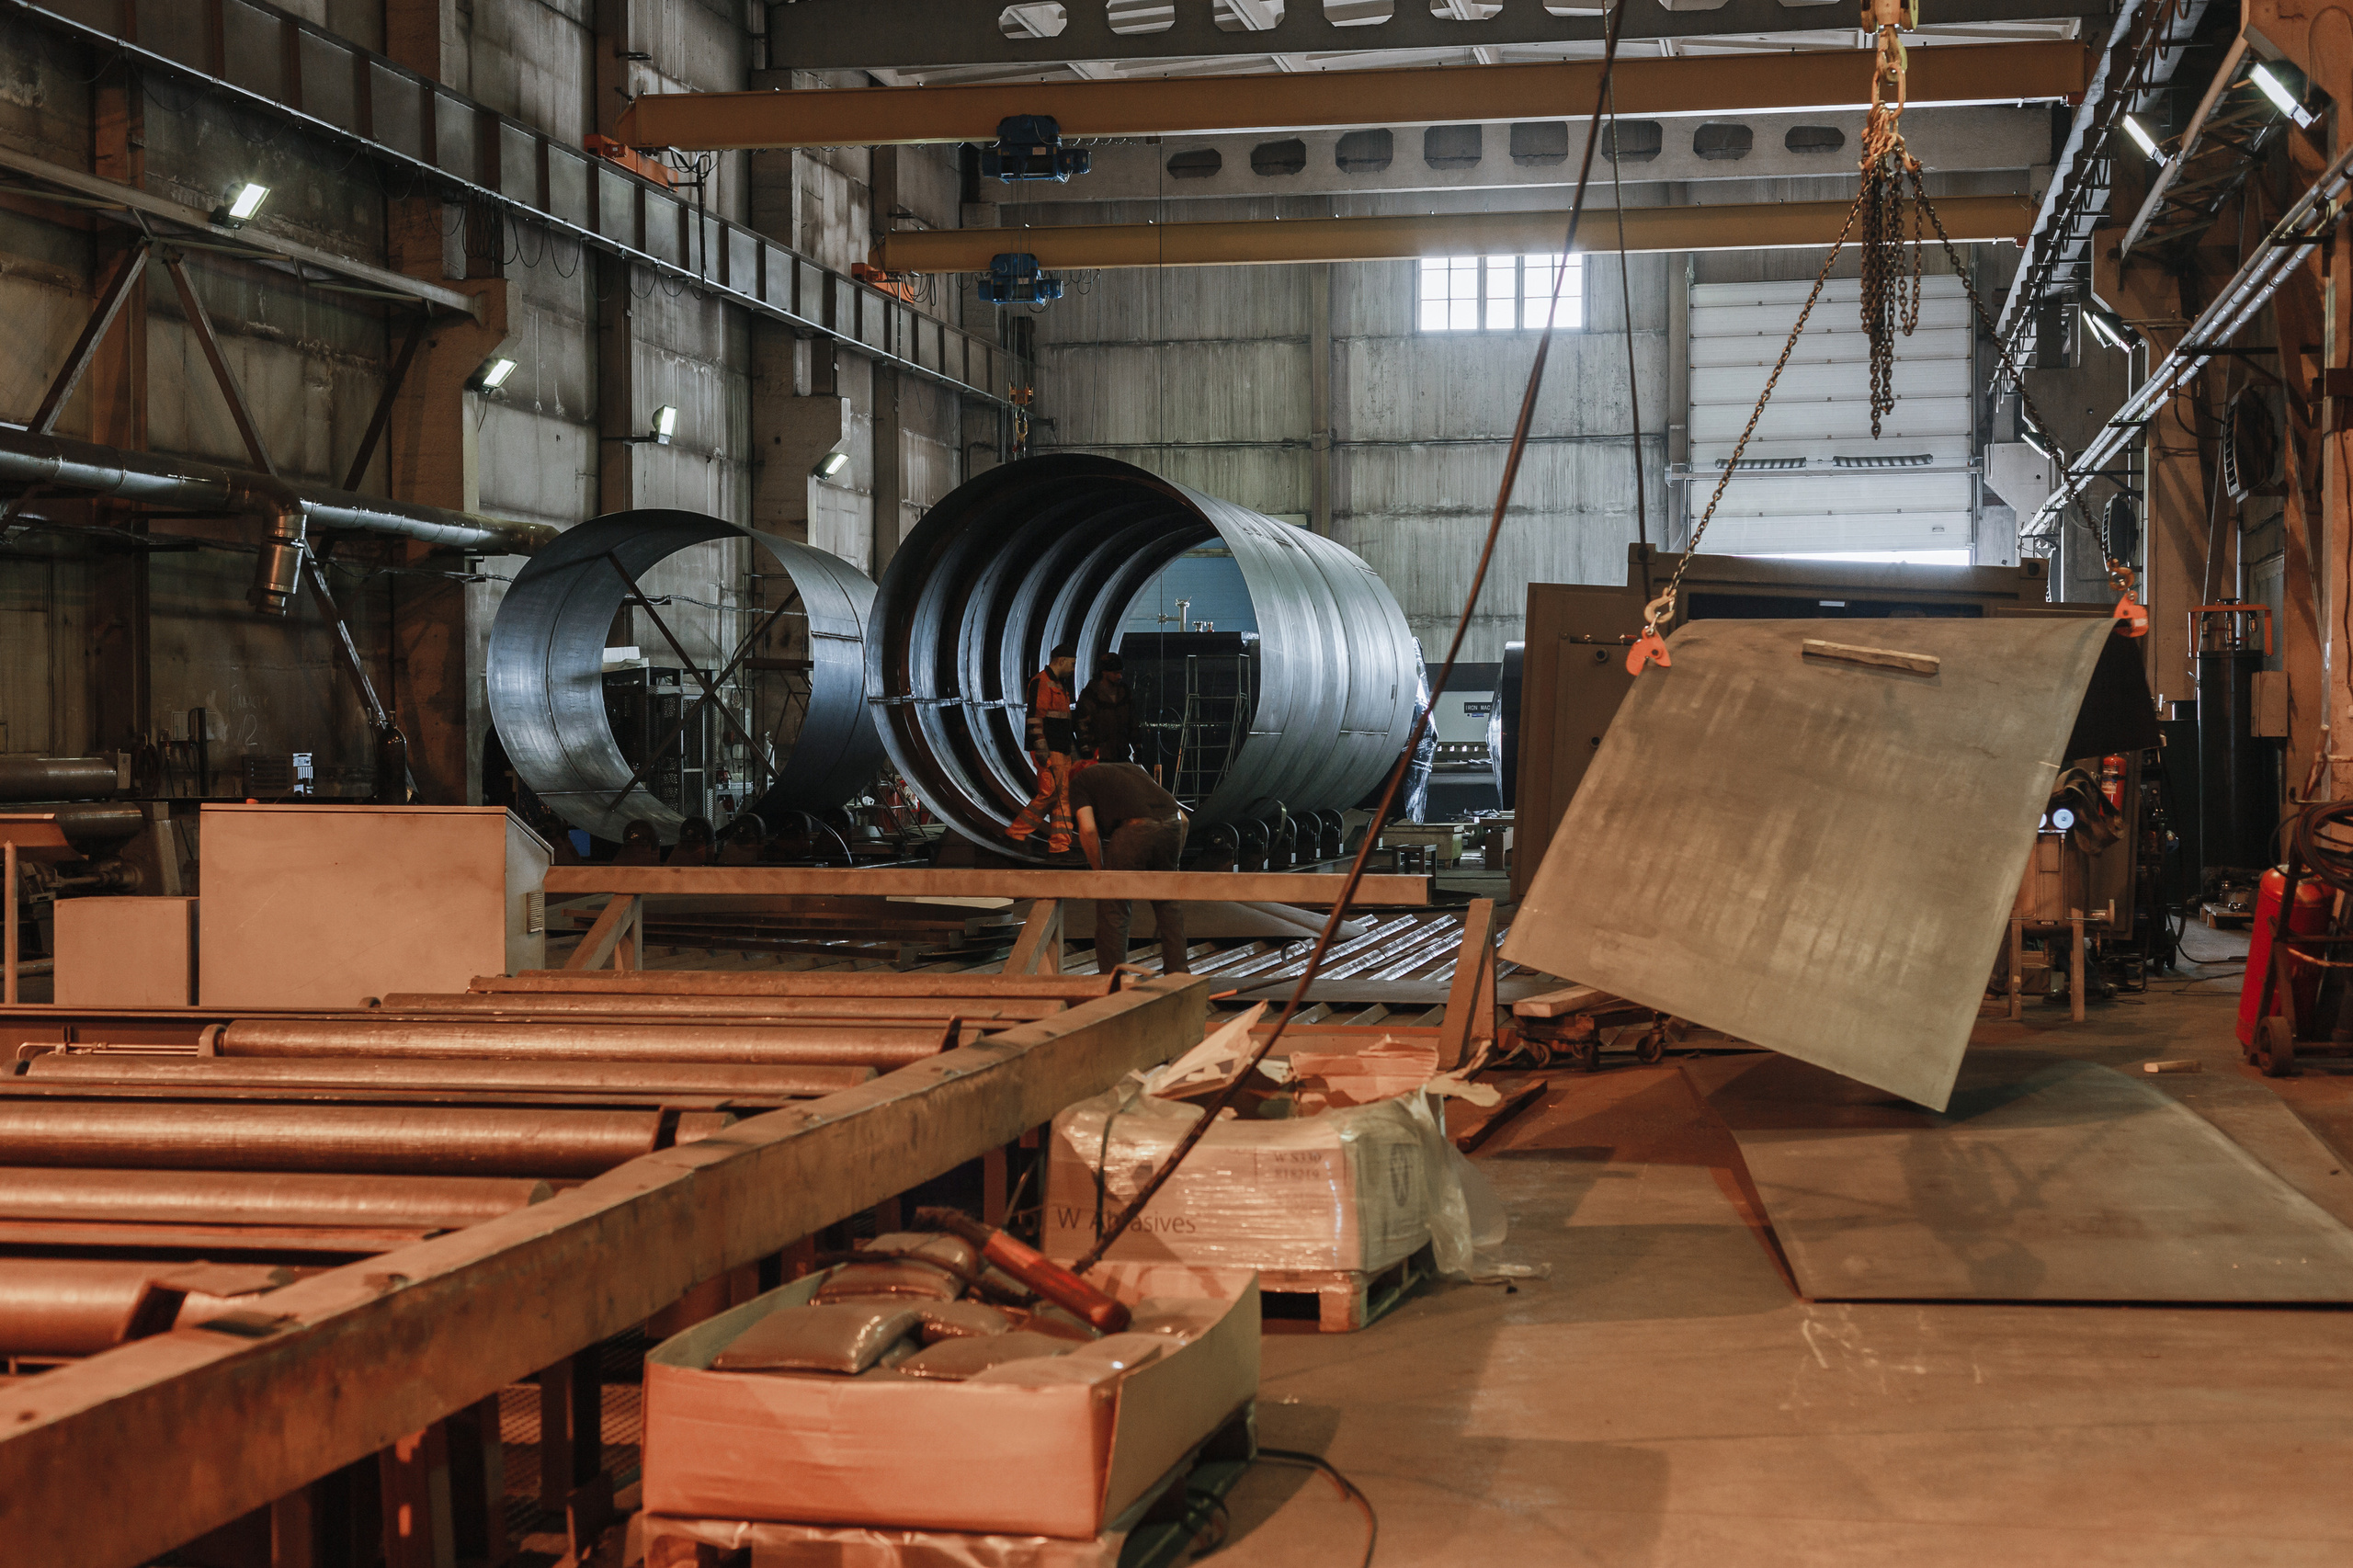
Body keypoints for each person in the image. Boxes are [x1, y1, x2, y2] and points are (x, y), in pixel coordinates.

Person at [1069, 760, 1188, 974]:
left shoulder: (1079, 781)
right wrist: (1174, 863)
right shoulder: (1133, 769)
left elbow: (1087, 829)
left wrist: (1100, 873)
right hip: (1173, 824)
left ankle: (1114, 978)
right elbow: (1185, 820)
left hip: (1135, 829)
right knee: (1168, 903)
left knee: (1114, 905)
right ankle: (1178, 973)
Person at [1006, 643, 1079, 855]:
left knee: (1061, 797)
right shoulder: (1042, 683)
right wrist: (1041, 747)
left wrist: (1071, 751)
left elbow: (1063, 723)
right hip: (1050, 750)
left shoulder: (1058, 685)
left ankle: (1060, 845)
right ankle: (1016, 832)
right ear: (1062, 660)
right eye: (1072, 664)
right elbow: (1035, 717)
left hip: (1060, 750)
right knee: (1050, 794)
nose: (1073, 669)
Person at [1075, 652, 1135, 764]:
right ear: (1104, 672)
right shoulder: (1091, 695)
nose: (1119, 676)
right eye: (1115, 673)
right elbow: (1082, 725)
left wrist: (1137, 745)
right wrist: (1086, 750)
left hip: (1119, 753)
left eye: (1120, 672)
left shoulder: (1124, 693)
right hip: (1101, 754)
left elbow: (1132, 721)